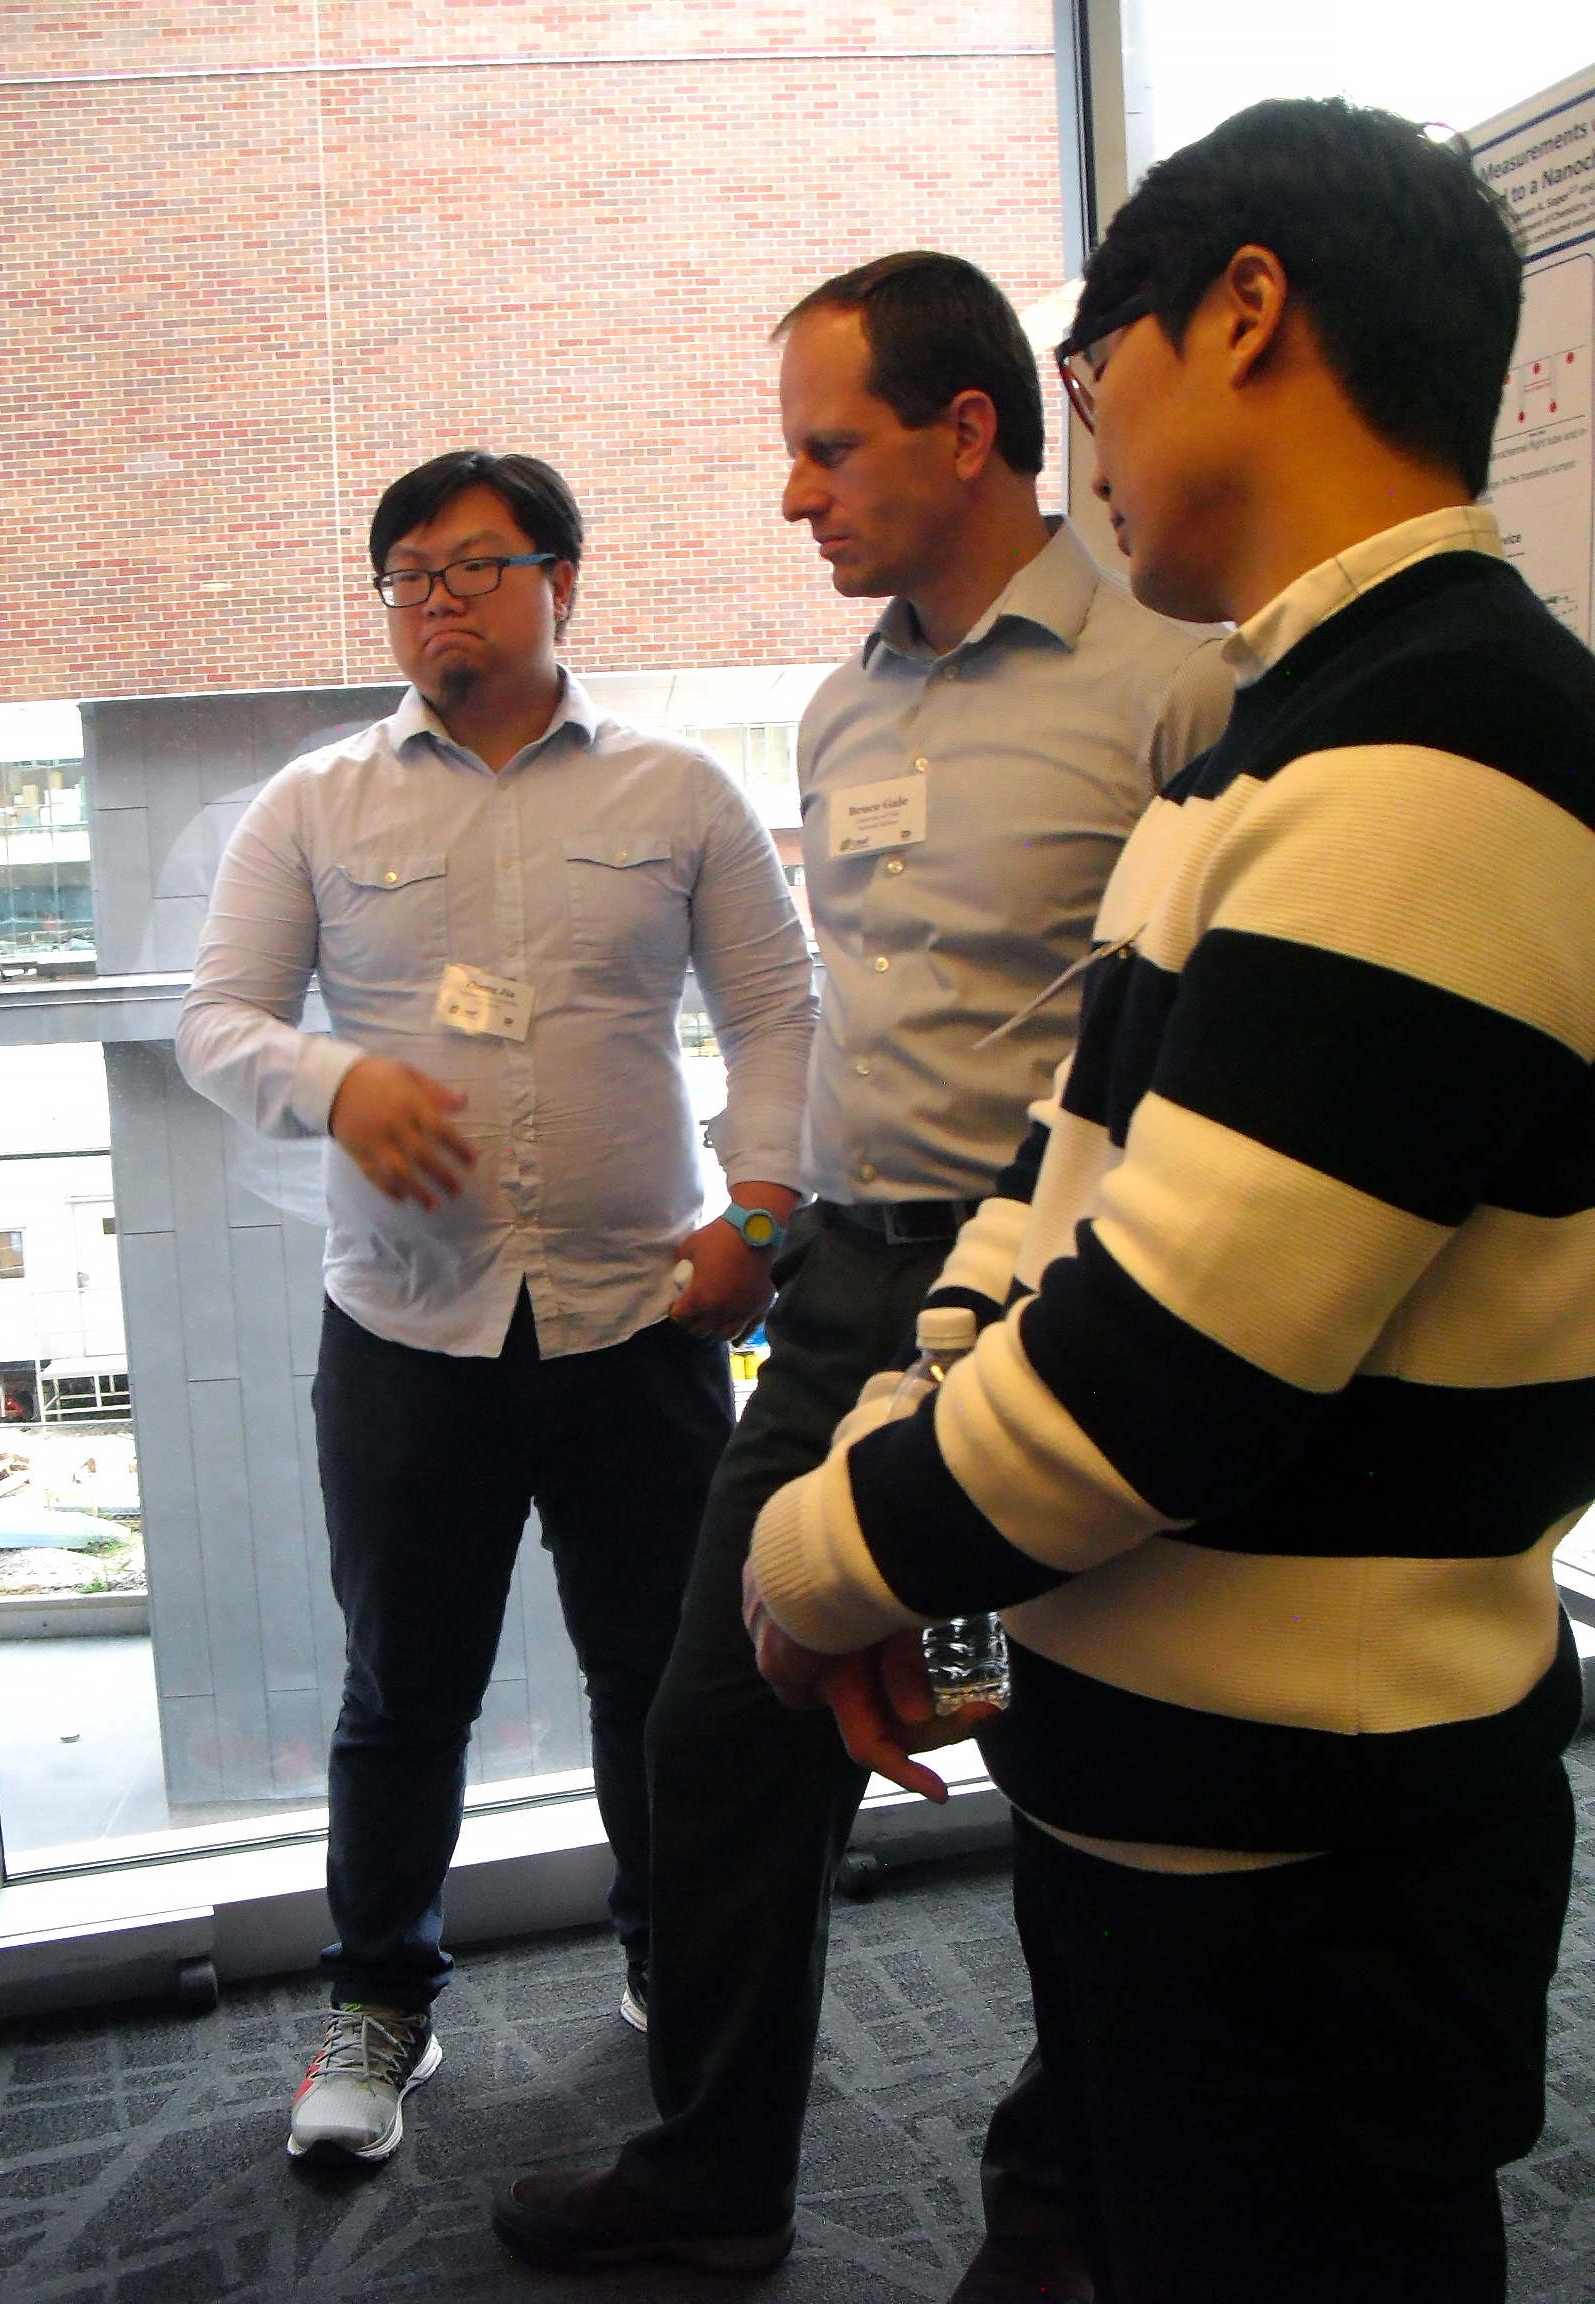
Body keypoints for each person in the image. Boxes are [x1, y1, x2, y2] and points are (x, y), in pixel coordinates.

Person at [739, 101, 1595, 2304]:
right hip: (1169, 1788)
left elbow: (1160, 1379)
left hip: (1313, 1844)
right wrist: (890, 1461)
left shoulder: (1448, 749)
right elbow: (1051, 1197)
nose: (1083, 426)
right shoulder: (1268, 733)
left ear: (1245, 309)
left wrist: (818, 1557)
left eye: (1090, 363)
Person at [493, 253, 1232, 2293]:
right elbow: (864, 1016)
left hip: (1059, 1304)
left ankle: (1064, 2197)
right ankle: (717, 2178)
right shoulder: (841, 705)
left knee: (1071, 1752)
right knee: (720, 1720)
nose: (794, 497)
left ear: (969, 430)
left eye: (828, 450)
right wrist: (767, 1214)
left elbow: (1190, 1044)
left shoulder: (1171, 677)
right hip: (840, 1292)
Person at [175, 449, 815, 2164]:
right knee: (404, 1691)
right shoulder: (314, 803)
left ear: (563, 581)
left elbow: (778, 1017)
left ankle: (670, 1963)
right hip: (405, 1333)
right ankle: (380, 2004)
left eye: (471, 567)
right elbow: (216, 1024)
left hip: (644, 1323)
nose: (434, 601)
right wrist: (334, 1078)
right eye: (405, 576)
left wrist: (763, 1209)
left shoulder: (683, 792)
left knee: (657, 1679)